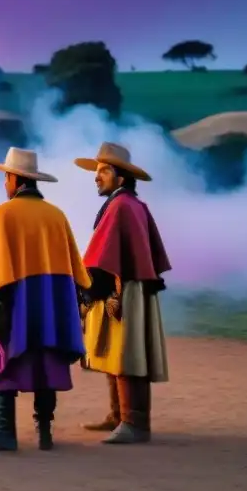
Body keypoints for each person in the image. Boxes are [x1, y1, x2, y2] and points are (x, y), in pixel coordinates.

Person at [0, 148, 91, 452]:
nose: (4, 184)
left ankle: (5, 433)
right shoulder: (57, 216)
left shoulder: (1, 214)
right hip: (50, 303)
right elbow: (76, 272)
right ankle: (44, 432)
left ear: (12, 178)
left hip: (12, 300)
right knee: (46, 360)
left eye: (5, 178)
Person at [74, 142, 170, 444]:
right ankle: (119, 416)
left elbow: (104, 255)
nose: (97, 176)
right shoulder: (129, 204)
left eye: (104, 170)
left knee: (127, 353)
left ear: (121, 176)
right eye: (98, 170)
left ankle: (134, 422)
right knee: (120, 351)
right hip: (125, 287)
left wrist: (92, 292)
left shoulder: (121, 206)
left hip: (123, 290)